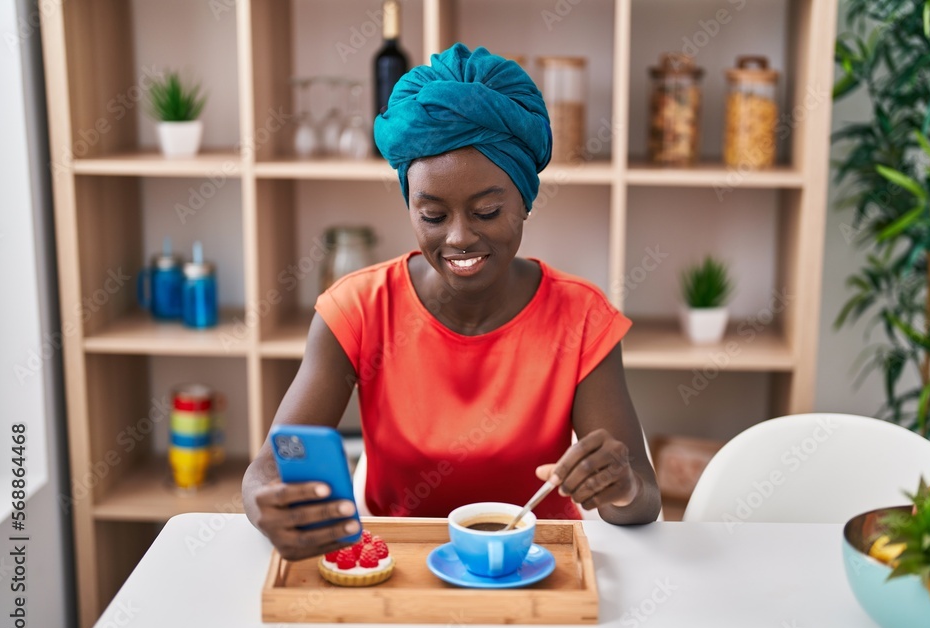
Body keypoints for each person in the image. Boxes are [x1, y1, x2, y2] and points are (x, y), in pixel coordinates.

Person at [243, 44, 661, 561]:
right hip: (401, 567)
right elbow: (271, 464)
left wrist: (619, 486)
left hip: (538, 566)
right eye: (433, 216)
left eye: (486, 211)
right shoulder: (357, 310)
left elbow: (641, 501)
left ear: (524, 201)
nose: (460, 237)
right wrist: (266, 501)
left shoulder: (579, 318)